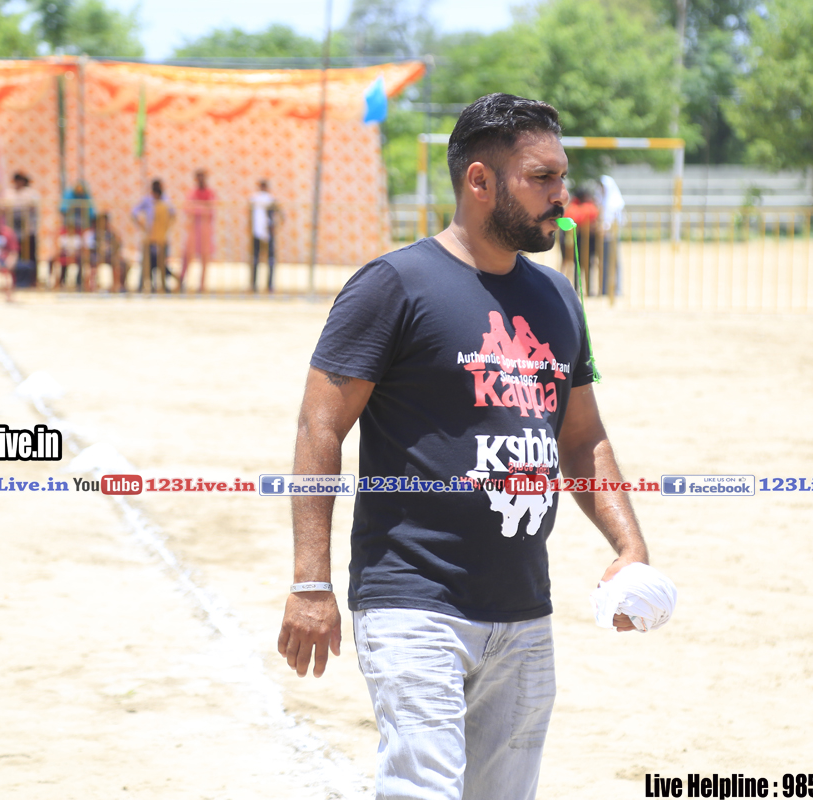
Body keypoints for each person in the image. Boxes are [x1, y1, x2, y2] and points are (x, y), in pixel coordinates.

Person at [276, 93, 654, 800]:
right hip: (412, 598)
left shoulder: (559, 298)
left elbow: (583, 437)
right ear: (480, 181)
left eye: (561, 177)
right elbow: (319, 427)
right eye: (541, 177)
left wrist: (629, 547)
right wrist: (310, 582)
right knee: (423, 789)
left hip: (523, 606)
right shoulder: (393, 285)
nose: (560, 196)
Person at [132, 179, 176, 294]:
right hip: (150, 237)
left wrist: (165, 228)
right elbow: (134, 212)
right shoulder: (148, 200)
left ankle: (163, 285)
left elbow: (173, 215)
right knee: (148, 262)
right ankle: (145, 285)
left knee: (162, 263)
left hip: (161, 237)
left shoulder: (166, 201)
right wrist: (142, 226)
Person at [180, 169, 215, 293]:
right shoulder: (192, 193)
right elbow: (187, 208)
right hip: (194, 227)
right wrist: (202, 207)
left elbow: (211, 210)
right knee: (187, 255)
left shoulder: (210, 193)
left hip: (205, 228)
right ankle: (183, 281)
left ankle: (202, 285)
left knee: (205, 256)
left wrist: (197, 207)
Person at [562, 187, 600, 294]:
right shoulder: (579, 207)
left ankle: (585, 288)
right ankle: (578, 288)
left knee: (585, 264)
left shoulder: (581, 207)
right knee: (578, 264)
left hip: (587, 238)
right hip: (579, 238)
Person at [6, 171, 40, 280]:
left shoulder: (31, 193)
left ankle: (32, 279)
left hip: (28, 230)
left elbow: (33, 207)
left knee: (30, 255)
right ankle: (16, 279)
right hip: (13, 230)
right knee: (15, 254)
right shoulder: (9, 192)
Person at [250, 179, 278, 293]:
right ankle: (254, 285)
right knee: (255, 259)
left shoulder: (271, 200)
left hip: (268, 231)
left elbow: (278, 214)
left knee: (270, 259)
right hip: (257, 231)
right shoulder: (255, 199)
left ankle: (270, 285)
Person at [599, 175, 625, 297]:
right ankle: (604, 288)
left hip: (612, 236)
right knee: (603, 262)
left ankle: (617, 288)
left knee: (614, 262)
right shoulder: (601, 200)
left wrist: (607, 227)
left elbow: (619, 220)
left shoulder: (616, 202)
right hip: (603, 237)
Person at [91, 213, 127, 293]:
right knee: (94, 262)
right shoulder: (95, 234)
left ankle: (117, 286)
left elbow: (117, 246)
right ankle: (95, 286)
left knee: (121, 264)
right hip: (98, 256)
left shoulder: (111, 234)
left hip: (110, 256)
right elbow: (92, 247)